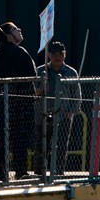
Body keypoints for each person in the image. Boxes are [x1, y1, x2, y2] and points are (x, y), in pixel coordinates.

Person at [0, 21, 37, 181]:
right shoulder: (19, 53)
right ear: (9, 36)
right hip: (22, 104)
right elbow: (31, 76)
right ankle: (21, 171)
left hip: (3, 104)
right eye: (16, 29)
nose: (20, 30)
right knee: (21, 138)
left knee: (3, 137)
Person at [35, 40, 81, 175]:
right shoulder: (40, 71)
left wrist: (72, 112)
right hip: (42, 115)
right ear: (49, 55)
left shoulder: (71, 72)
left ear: (65, 55)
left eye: (60, 53)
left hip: (63, 115)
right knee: (41, 145)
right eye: (54, 53)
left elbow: (77, 95)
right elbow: (32, 92)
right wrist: (41, 90)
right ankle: (39, 173)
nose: (57, 56)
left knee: (61, 145)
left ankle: (59, 172)